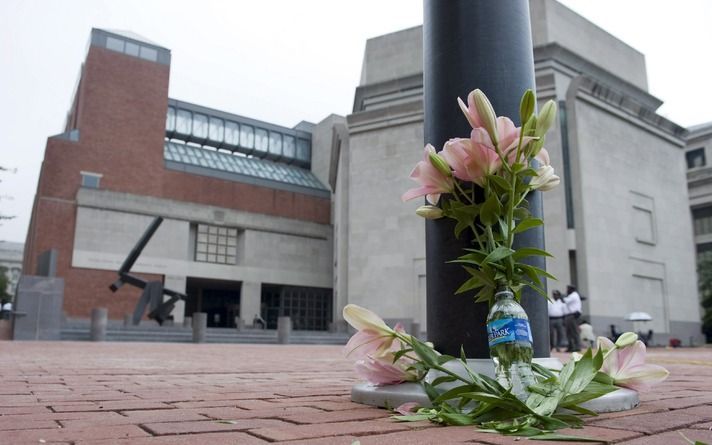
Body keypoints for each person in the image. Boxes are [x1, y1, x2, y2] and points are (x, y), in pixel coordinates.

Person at [562, 285, 582, 352]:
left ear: (571, 289)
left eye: (568, 289)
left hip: (573, 315)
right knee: (569, 333)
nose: (567, 290)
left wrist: (561, 296)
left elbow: (565, 301)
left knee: (574, 332)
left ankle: (577, 346)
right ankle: (571, 347)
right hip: (569, 316)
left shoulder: (574, 295)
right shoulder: (571, 295)